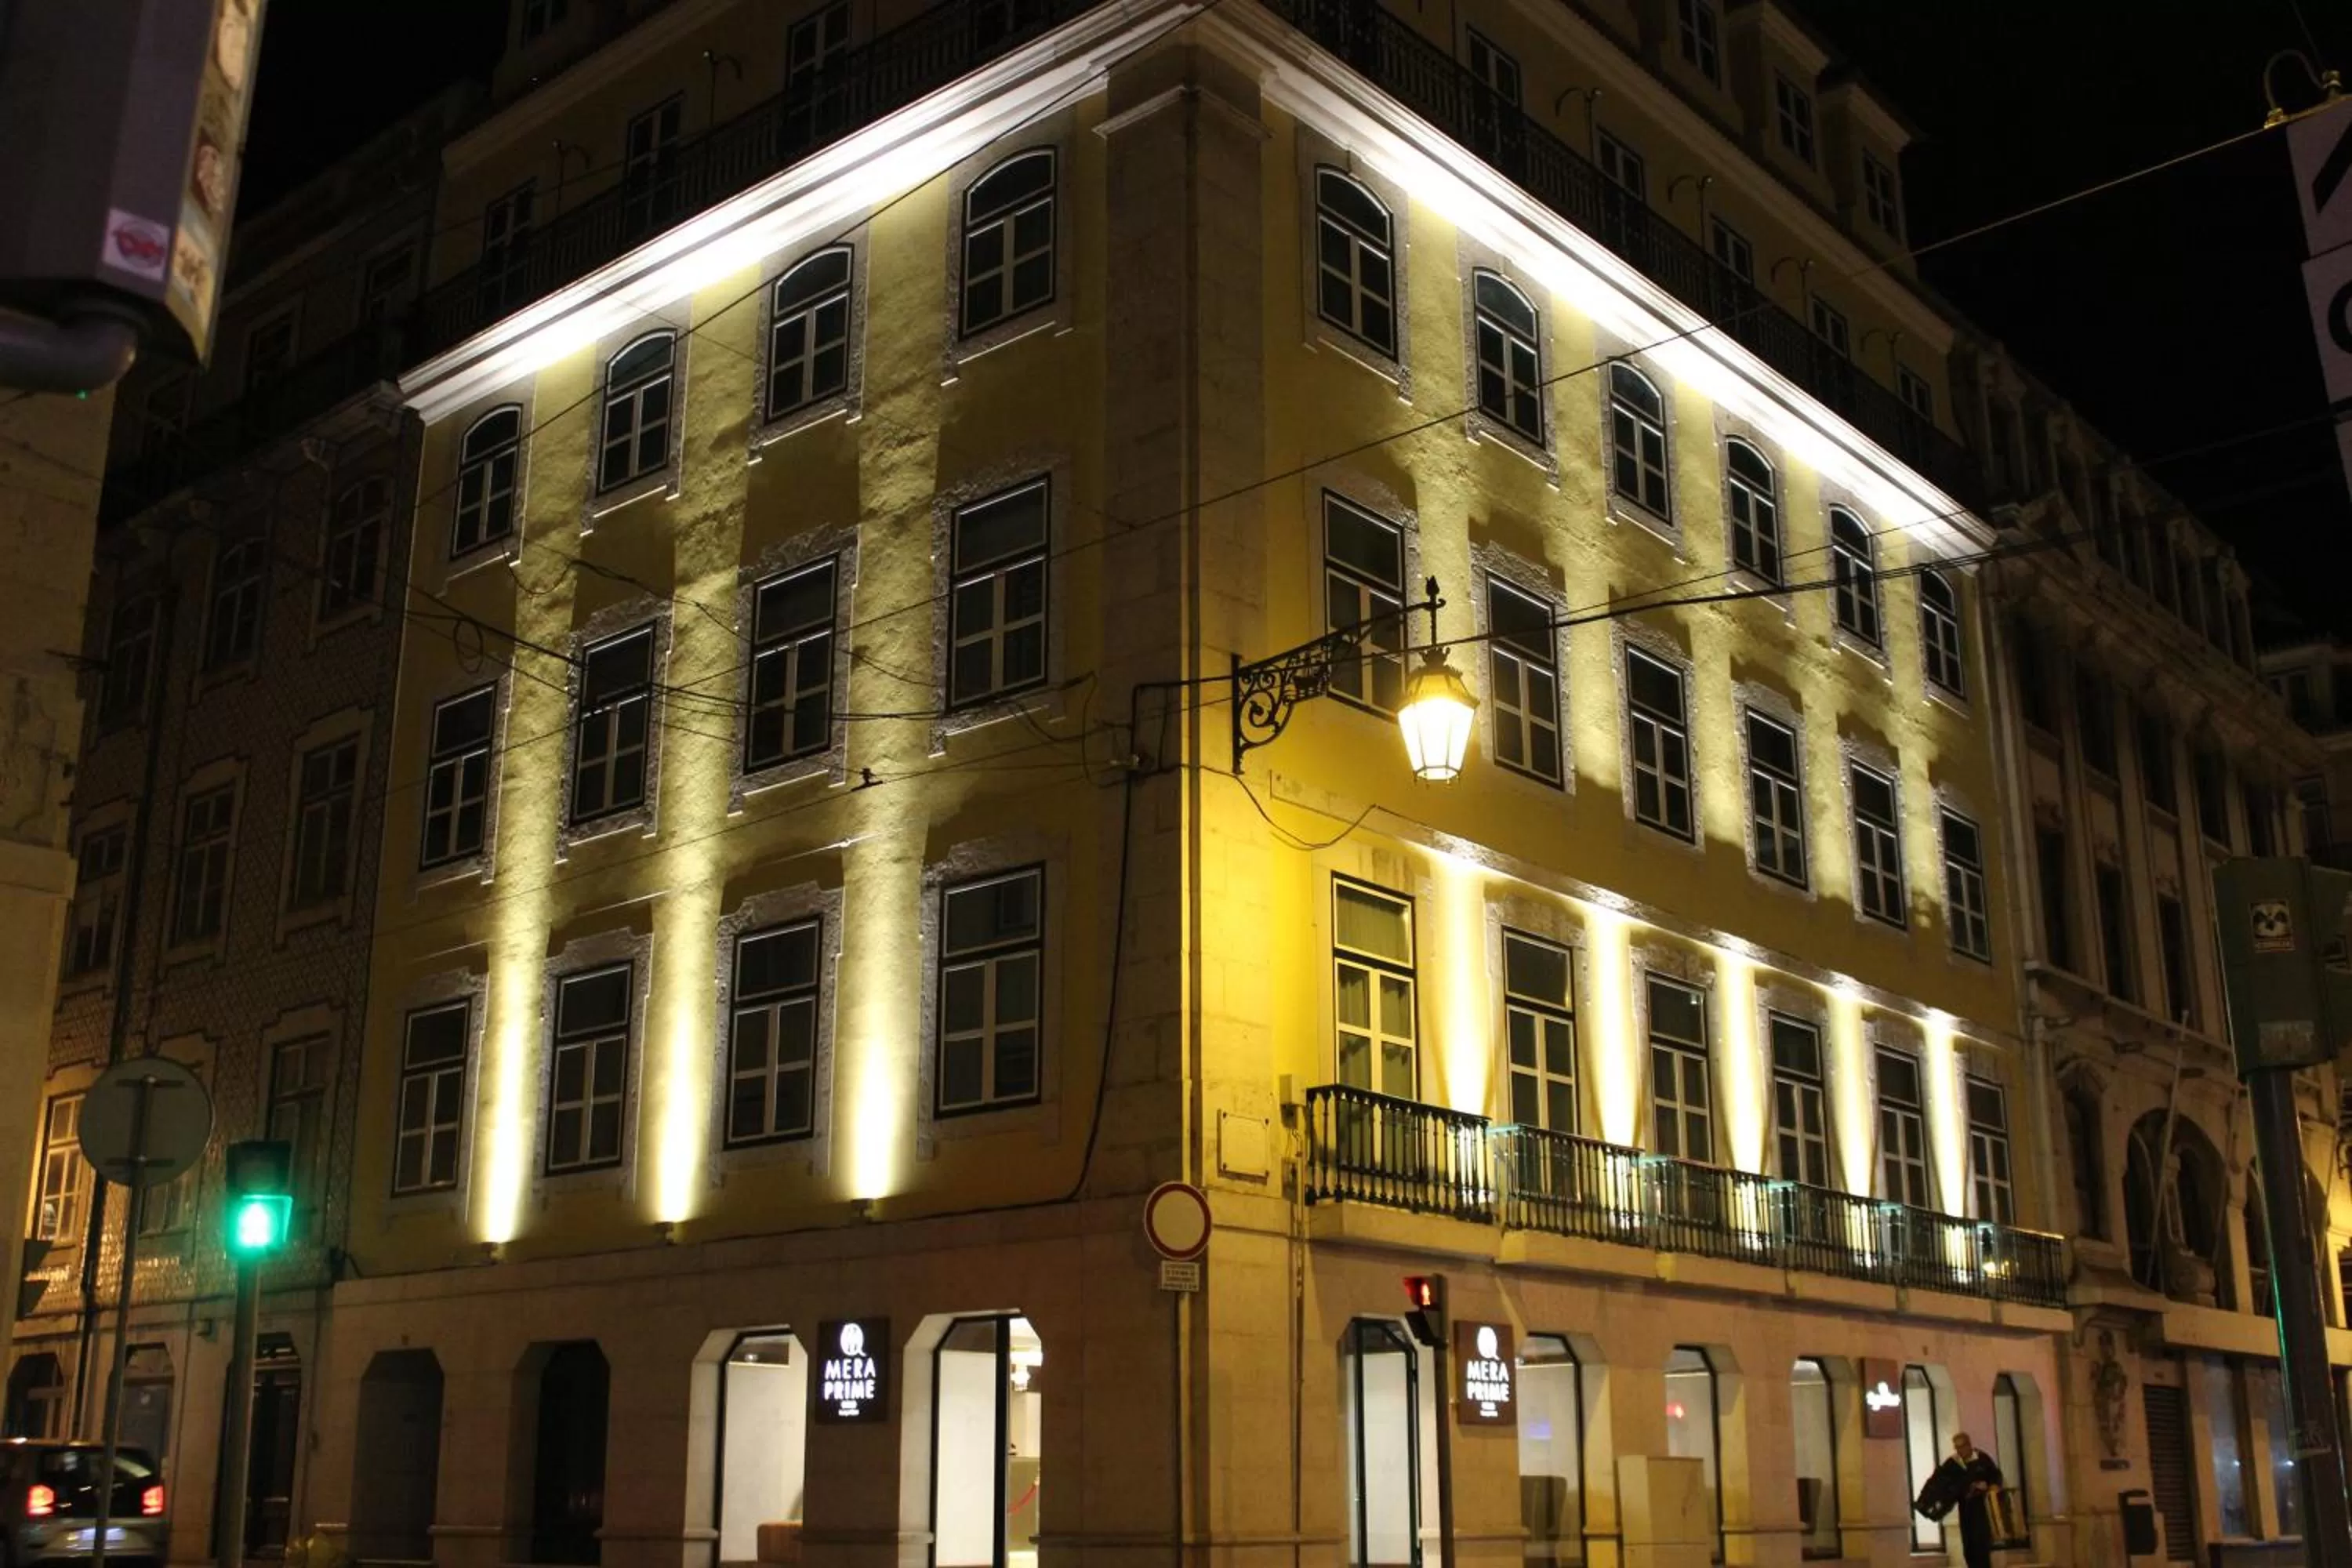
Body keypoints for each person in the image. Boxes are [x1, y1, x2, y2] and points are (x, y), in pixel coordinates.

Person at [1914, 1431, 2005, 1568]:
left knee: (1981, 1545)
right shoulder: (1953, 1463)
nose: (1959, 1451)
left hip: (1982, 1509)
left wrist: (1989, 1485)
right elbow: (1937, 1482)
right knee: (1969, 1546)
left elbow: (1995, 1476)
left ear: (1969, 1445)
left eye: (1962, 1447)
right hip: (1966, 1508)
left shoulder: (1982, 1458)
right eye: (1956, 1447)